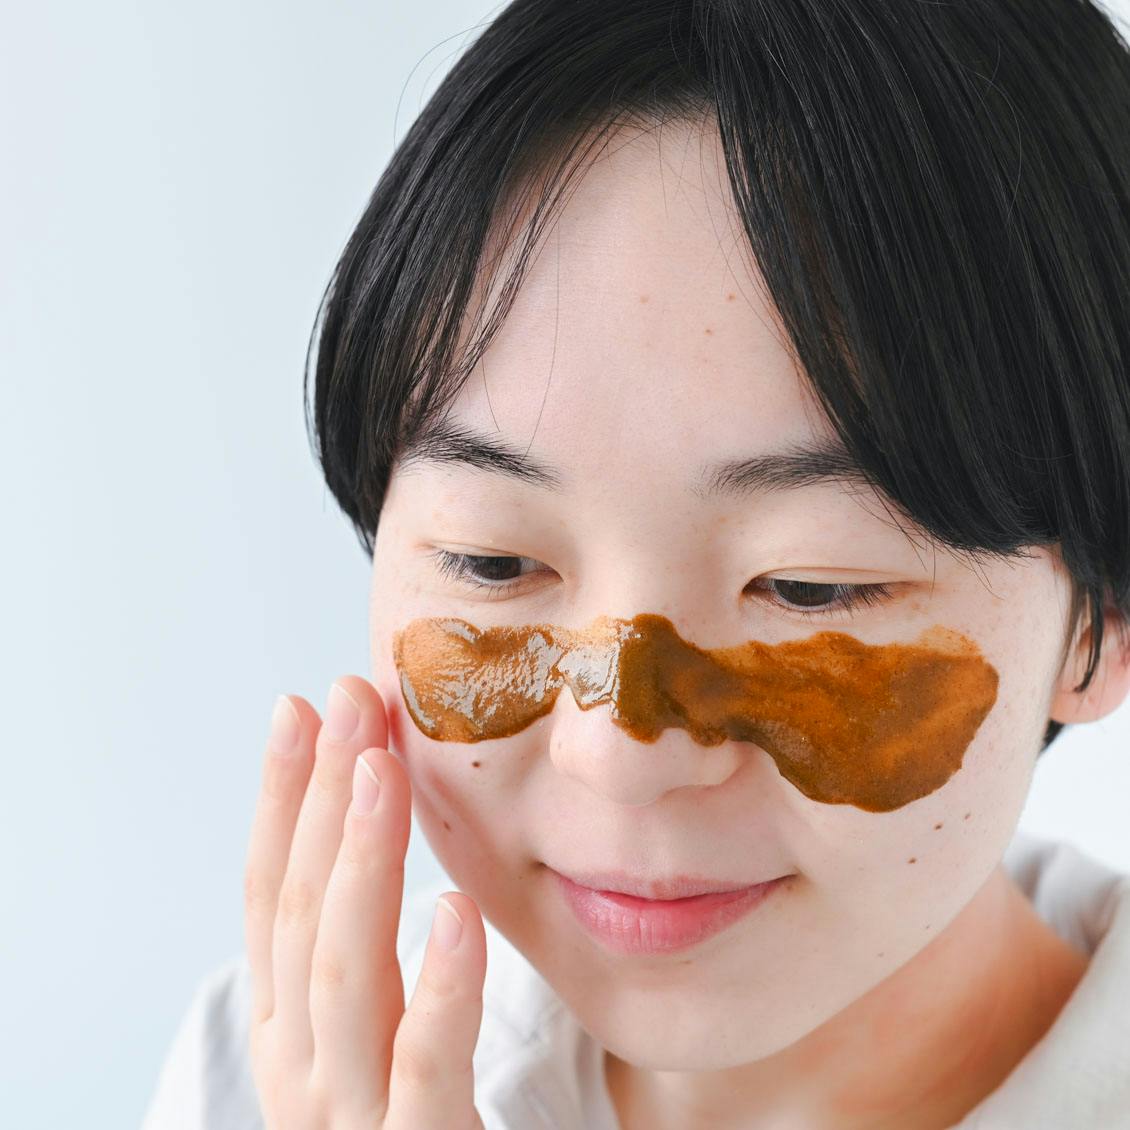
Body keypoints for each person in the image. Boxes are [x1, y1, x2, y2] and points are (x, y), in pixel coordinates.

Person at [142, 1, 1130, 1127]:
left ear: (1101, 612)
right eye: (491, 561)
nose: (617, 752)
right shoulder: (261, 1079)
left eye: (808, 586)